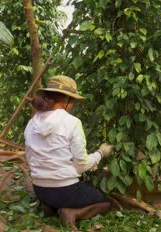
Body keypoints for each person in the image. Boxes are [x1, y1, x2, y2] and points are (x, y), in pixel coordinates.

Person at [24, 75, 114, 226]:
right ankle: (72, 212)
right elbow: (82, 165)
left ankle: (49, 206)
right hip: (64, 190)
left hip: (39, 189)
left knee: (57, 195)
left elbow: (30, 157)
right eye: (72, 101)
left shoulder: (32, 123)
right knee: (105, 202)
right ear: (66, 101)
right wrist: (100, 153)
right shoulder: (71, 123)